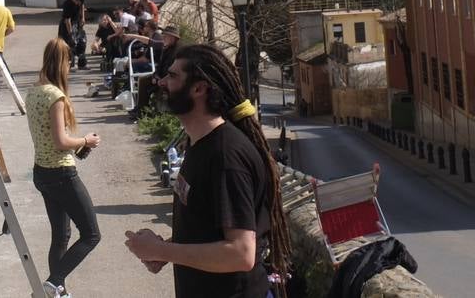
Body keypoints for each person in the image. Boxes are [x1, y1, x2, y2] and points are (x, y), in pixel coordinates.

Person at [124, 43, 291, 297]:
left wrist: (160, 251)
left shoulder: (226, 157)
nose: (161, 82)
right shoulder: (199, 142)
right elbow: (209, 232)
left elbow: (240, 253)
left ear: (199, 88)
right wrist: (162, 248)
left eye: (172, 76)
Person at [26, 39, 102, 297]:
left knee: (60, 235)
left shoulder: (34, 90)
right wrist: (85, 141)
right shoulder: (55, 96)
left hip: (42, 171)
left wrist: (78, 147)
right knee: (91, 234)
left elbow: (48, 137)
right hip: (61, 174)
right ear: (63, 62)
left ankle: (58, 291)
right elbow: (60, 141)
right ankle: (53, 283)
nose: (70, 66)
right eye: (69, 61)